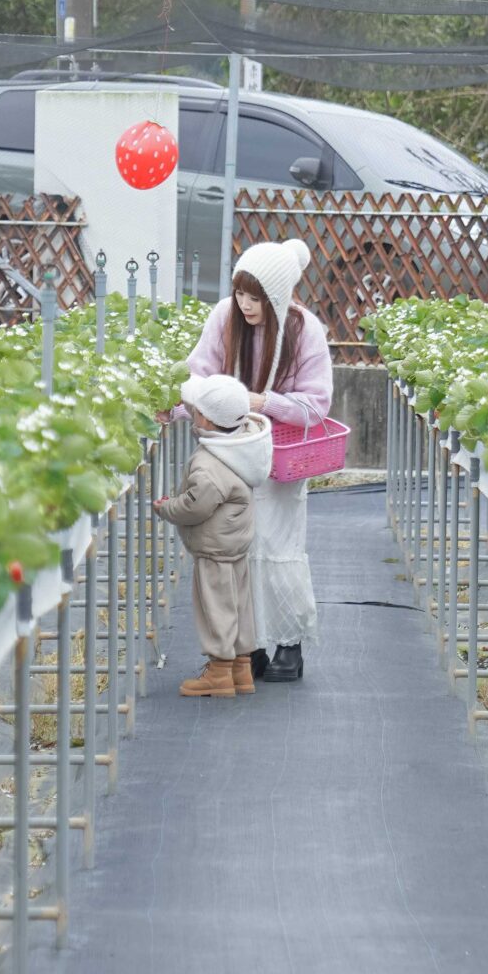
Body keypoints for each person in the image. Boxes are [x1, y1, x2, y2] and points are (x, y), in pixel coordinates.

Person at [180, 239, 331, 682]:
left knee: (279, 546)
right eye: (241, 293)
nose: (245, 305)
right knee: (239, 549)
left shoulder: (305, 330)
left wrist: (260, 402)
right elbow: (198, 375)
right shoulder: (223, 317)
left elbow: (315, 406)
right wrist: (172, 402)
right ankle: (251, 646)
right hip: (228, 453)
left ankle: (289, 644)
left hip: (282, 456)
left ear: (278, 295)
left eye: (256, 296)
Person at [154, 374, 273, 697]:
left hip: (214, 548)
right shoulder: (242, 445)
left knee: (216, 607)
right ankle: (241, 669)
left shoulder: (209, 462)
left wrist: (167, 507)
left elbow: (196, 506)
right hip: (236, 544)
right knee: (239, 604)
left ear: (204, 418)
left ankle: (219, 672)